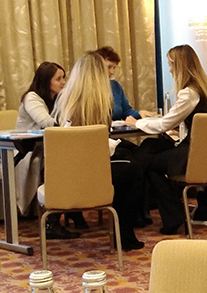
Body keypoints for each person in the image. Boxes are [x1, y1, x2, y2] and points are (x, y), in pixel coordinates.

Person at [52, 52, 145, 250]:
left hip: (66, 172)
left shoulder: (65, 100)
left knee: (126, 163)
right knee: (134, 170)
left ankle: (123, 233)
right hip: (91, 171)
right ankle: (124, 233)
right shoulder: (102, 103)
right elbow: (100, 146)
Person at [126, 44, 207, 235]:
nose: (169, 70)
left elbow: (164, 124)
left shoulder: (189, 93)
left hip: (192, 155)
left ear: (180, 66)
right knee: (150, 146)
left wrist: (136, 123)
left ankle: (162, 214)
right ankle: (151, 212)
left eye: (171, 65)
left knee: (148, 163)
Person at [14, 61, 82, 240]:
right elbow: (47, 123)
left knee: (76, 161)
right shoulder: (32, 98)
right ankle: (53, 222)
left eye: (64, 78)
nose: (63, 82)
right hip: (26, 153)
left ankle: (73, 209)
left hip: (47, 151)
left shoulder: (56, 99)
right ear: (46, 81)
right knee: (60, 168)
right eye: (58, 79)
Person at [94, 46, 157, 121]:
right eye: (109, 67)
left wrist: (140, 113)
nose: (112, 72)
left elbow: (126, 111)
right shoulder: (88, 88)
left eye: (114, 68)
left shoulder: (115, 86)